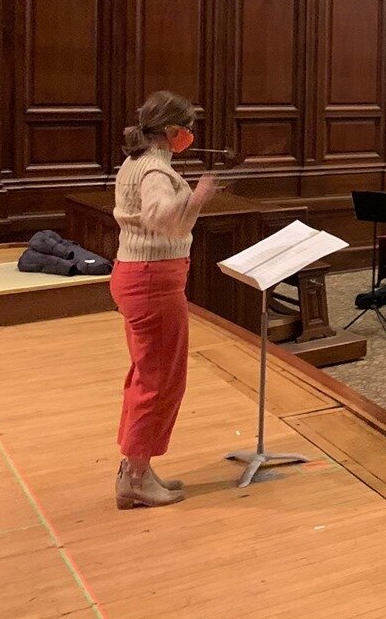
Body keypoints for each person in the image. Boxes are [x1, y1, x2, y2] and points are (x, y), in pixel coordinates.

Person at [111, 90, 217, 510]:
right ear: (172, 131)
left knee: (148, 375)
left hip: (142, 276)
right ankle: (135, 477)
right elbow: (162, 222)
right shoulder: (154, 168)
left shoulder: (136, 162)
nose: (190, 135)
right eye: (186, 128)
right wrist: (199, 195)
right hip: (153, 281)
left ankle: (137, 466)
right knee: (158, 380)